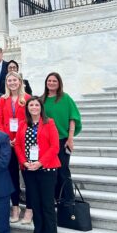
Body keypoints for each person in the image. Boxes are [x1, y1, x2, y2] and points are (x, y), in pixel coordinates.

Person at [15, 97, 60, 233]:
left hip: (46, 169)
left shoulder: (49, 123)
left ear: (41, 107)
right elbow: (18, 145)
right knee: (35, 204)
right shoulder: (23, 124)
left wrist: (40, 162)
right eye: (31, 105)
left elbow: (55, 147)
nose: (34, 107)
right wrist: (24, 162)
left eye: (36, 105)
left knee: (47, 204)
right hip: (29, 170)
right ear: (27, 108)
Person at [0, 72, 32, 224]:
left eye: (14, 80)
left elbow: (30, 119)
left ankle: (29, 209)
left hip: (24, 142)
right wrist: (7, 139)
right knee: (12, 177)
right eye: (9, 80)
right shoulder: (2, 99)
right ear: (6, 83)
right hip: (8, 143)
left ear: (20, 81)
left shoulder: (28, 98)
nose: (12, 83)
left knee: (28, 177)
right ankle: (16, 207)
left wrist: (19, 138)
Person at [42, 72, 82, 201]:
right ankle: (54, 198)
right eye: (49, 81)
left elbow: (73, 118)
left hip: (62, 140)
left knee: (63, 170)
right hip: (46, 142)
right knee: (50, 171)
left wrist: (70, 138)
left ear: (59, 83)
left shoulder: (65, 98)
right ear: (46, 83)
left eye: (55, 81)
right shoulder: (42, 100)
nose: (51, 83)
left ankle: (68, 200)